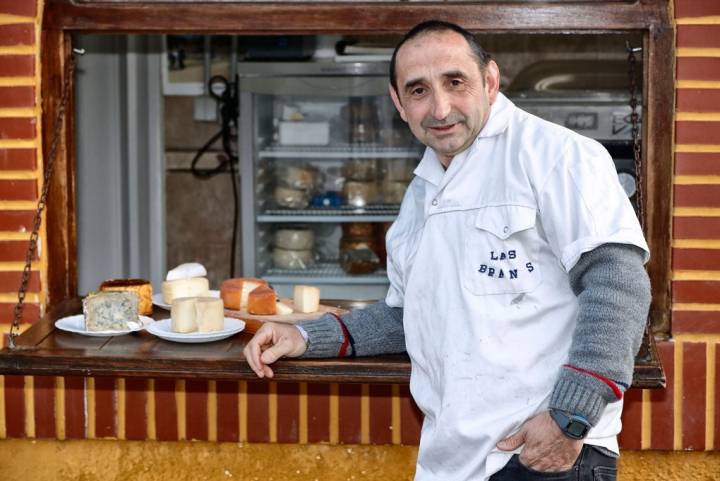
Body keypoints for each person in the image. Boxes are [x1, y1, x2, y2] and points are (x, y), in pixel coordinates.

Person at [244, 20, 651, 481]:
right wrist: (306, 337)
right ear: (399, 103)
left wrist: (569, 418)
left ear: (490, 81)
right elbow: (410, 316)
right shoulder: (422, 196)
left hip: (538, 456)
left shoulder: (554, 155)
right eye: (418, 91)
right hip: (454, 462)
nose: (440, 107)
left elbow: (619, 284)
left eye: (455, 82)